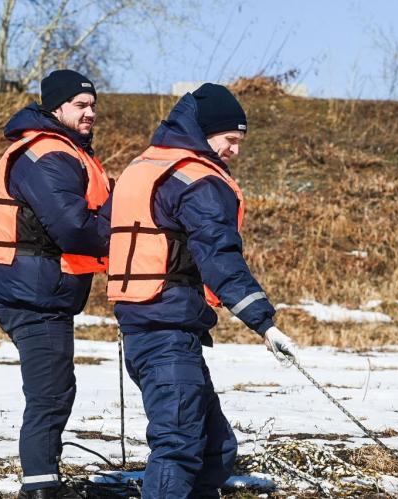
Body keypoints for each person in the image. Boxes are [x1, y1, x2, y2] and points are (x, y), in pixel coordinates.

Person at [104, 83, 299, 498]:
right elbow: (220, 257)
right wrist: (264, 324)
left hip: (151, 325)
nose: (235, 151)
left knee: (216, 448)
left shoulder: (143, 167)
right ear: (204, 132)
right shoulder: (197, 180)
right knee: (179, 446)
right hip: (165, 330)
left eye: (240, 141)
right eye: (230, 139)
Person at [0, 69, 111, 499]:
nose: (90, 112)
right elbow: (74, 229)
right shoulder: (48, 154)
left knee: (54, 389)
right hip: (34, 293)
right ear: (56, 108)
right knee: (50, 393)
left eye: (93, 105)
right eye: (80, 105)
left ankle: (43, 483)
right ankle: (40, 489)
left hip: (41, 289)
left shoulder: (60, 150)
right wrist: (120, 218)